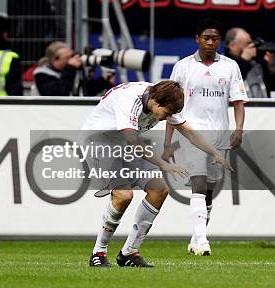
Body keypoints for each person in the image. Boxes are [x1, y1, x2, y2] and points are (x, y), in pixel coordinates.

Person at [84, 80, 228, 268]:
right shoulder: (129, 100)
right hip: (100, 144)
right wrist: (163, 164)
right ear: (154, 101)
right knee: (123, 195)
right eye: (166, 113)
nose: (166, 118)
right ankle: (98, 253)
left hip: (125, 145)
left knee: (159, 190)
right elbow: (132, 140)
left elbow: (188, 131)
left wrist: (214, 152)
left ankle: (129, 252)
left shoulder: (162, 98)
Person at [164, 18, 247, 256]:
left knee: (209, 190)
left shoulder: (230, 66)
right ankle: (203, 241)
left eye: (215, 38)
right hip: (191, 133)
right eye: (206, 38)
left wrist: (238, 129)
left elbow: (238, 101)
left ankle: (195, 238)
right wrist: (168, 142)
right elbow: (173, 106)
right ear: (197, 39)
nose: (211, 42)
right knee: (198, 182)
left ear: (220, 41)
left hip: (219, 135)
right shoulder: (183, 67)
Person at [224, 27, 275, 97]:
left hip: (262, 106)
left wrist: (272, 67)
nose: (251, 46)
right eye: (246, 43)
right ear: (232, 46)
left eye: (251, 43)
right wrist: (244, 60)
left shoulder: (256, 64)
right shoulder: (222, 63)